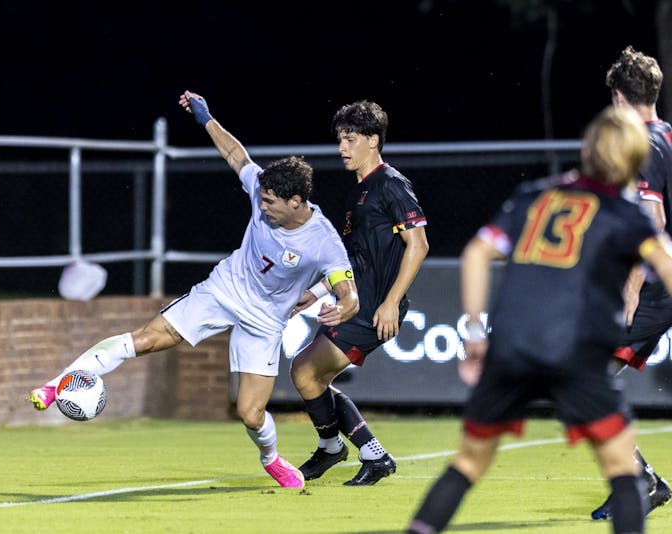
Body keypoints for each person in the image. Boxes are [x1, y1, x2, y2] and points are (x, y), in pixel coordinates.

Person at [27, 90, 360, 489]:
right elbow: (236, 155)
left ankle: (271, 459)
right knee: (147, 338)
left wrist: (342, 306)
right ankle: (59, 383)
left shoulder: (324, 241)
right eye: (262, 198)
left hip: (266, 321)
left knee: (251, 414)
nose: (263, 206)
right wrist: (206, 118)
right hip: (222, 290)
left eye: (271, 202)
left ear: (296, 201)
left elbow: (348, 291)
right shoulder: (260, 189)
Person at [406, 105, 672, 534]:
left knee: (468, 463)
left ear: (587, 150)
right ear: (635, 160)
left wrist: (474, 332)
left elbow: (476, 254)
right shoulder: (627, 216)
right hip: (577, 353)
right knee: (624, 471)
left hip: (511, 346)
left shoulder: (534, 195)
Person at [287, 101, 429, 485]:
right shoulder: (359, 193)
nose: (342, 148)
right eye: (339, 140)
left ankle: (341, 449)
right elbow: (351, 259)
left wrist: (391, 302)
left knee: (305, 371)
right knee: (310, 376)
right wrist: (317, 291)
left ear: (373, 140)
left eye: (350, 139)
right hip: (355, 303)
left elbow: (419, 245)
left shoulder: (391, 184)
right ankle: (363, 452)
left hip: (374, 307)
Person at [590, 45, 672, 521]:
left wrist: (632, 288)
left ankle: (640, 481)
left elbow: (651, 219)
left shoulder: (640, 140)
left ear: (619, 98)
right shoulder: (667, 135)